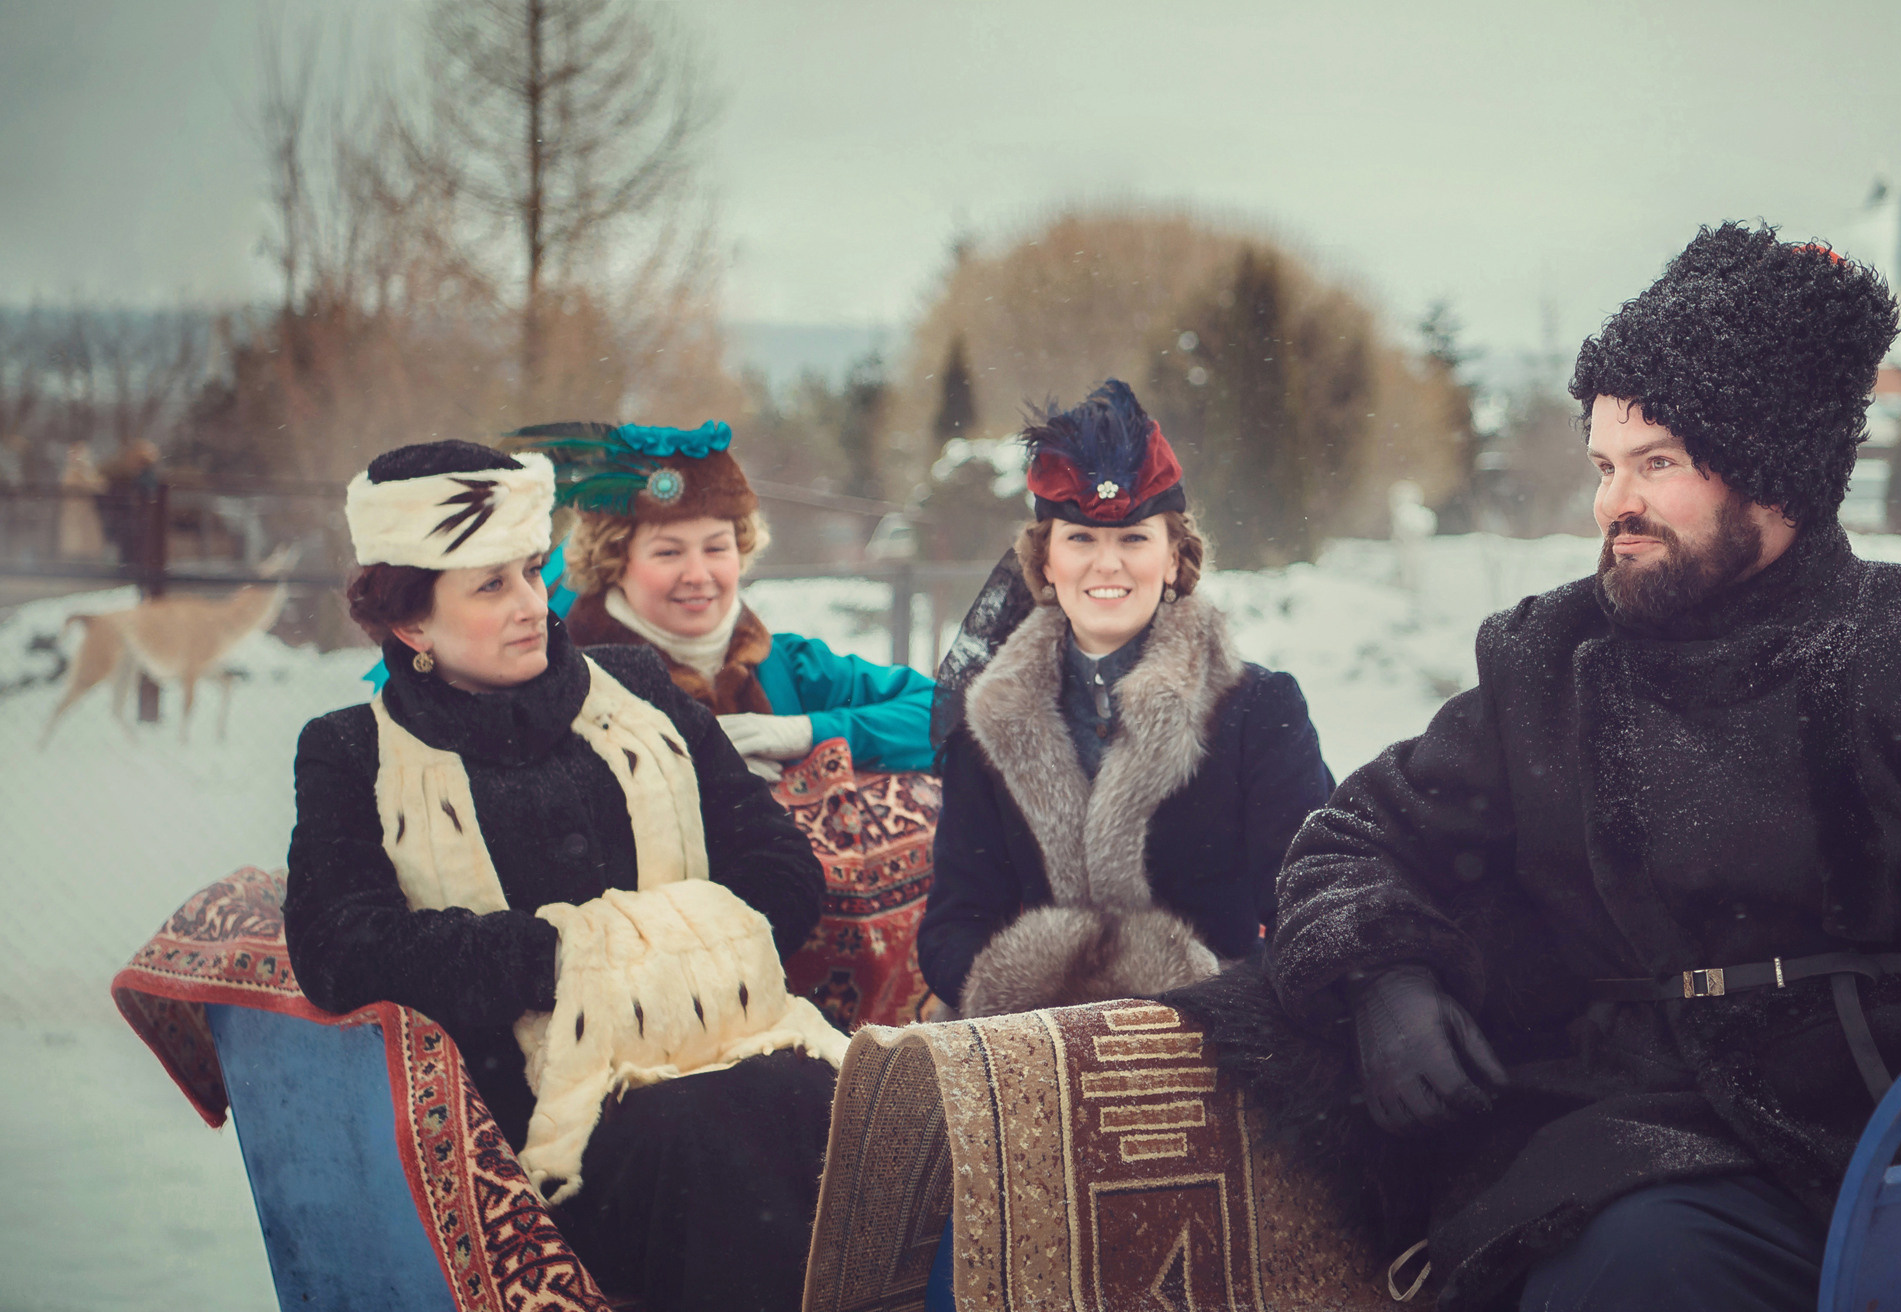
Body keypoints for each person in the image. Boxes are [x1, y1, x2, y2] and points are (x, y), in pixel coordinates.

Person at [1170, 224, 1901, 1312]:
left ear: (1773, 473)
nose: (1612, 504)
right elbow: (1358, 836)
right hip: (1646, 1151)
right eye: (1605, 466)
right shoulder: (1546, 665)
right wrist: (1383, 978)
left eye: (1657, 465)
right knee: (1639, 1269)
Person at [284, 439, 846, 1312]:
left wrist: (643, 956)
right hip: (554, 1118)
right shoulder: (352, 751)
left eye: (531, 573)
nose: (531, 607)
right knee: (697, 1135)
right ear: (411, 624)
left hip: (742, 1041)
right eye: (489, 585)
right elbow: (340, 948)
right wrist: (563, 958)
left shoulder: (634, 686)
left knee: (825, 1103)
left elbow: (780, 870)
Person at [915, 380, 1334, 1017]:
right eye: (1080, 539)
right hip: (1031, 1043)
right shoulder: (988, 723)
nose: (1106, 564)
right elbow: (954, 926)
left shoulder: (1261, 711)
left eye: (1134, 538)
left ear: (1174, 559)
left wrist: (1204, 1010)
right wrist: (1049, 1005)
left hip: (1214, 1042)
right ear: (1045, 562)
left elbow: (1312, 904)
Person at [514, 419, 937, 780]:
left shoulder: (786, 667)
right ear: (615, 561)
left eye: (717, 548)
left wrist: (807, 733)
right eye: (668, 552)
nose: (698, 575)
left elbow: (943, 715)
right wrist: (694, 773)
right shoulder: (559, 682)